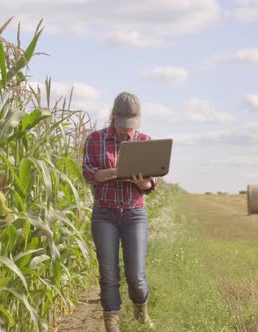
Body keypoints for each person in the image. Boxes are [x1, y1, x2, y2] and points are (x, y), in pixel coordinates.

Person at [82, 92, 157, 332]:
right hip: (105, 214)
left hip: (134, 213)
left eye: (131, 126)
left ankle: (141, 313)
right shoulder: (95, 140)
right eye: (122, 125)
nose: (127, 132)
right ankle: (112, 324)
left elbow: (151, 182)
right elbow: (89, 174)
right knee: (108, 273)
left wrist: (142, 183)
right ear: (113, 116)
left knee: (136, 274)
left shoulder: (145, 140)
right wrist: (116, 171)